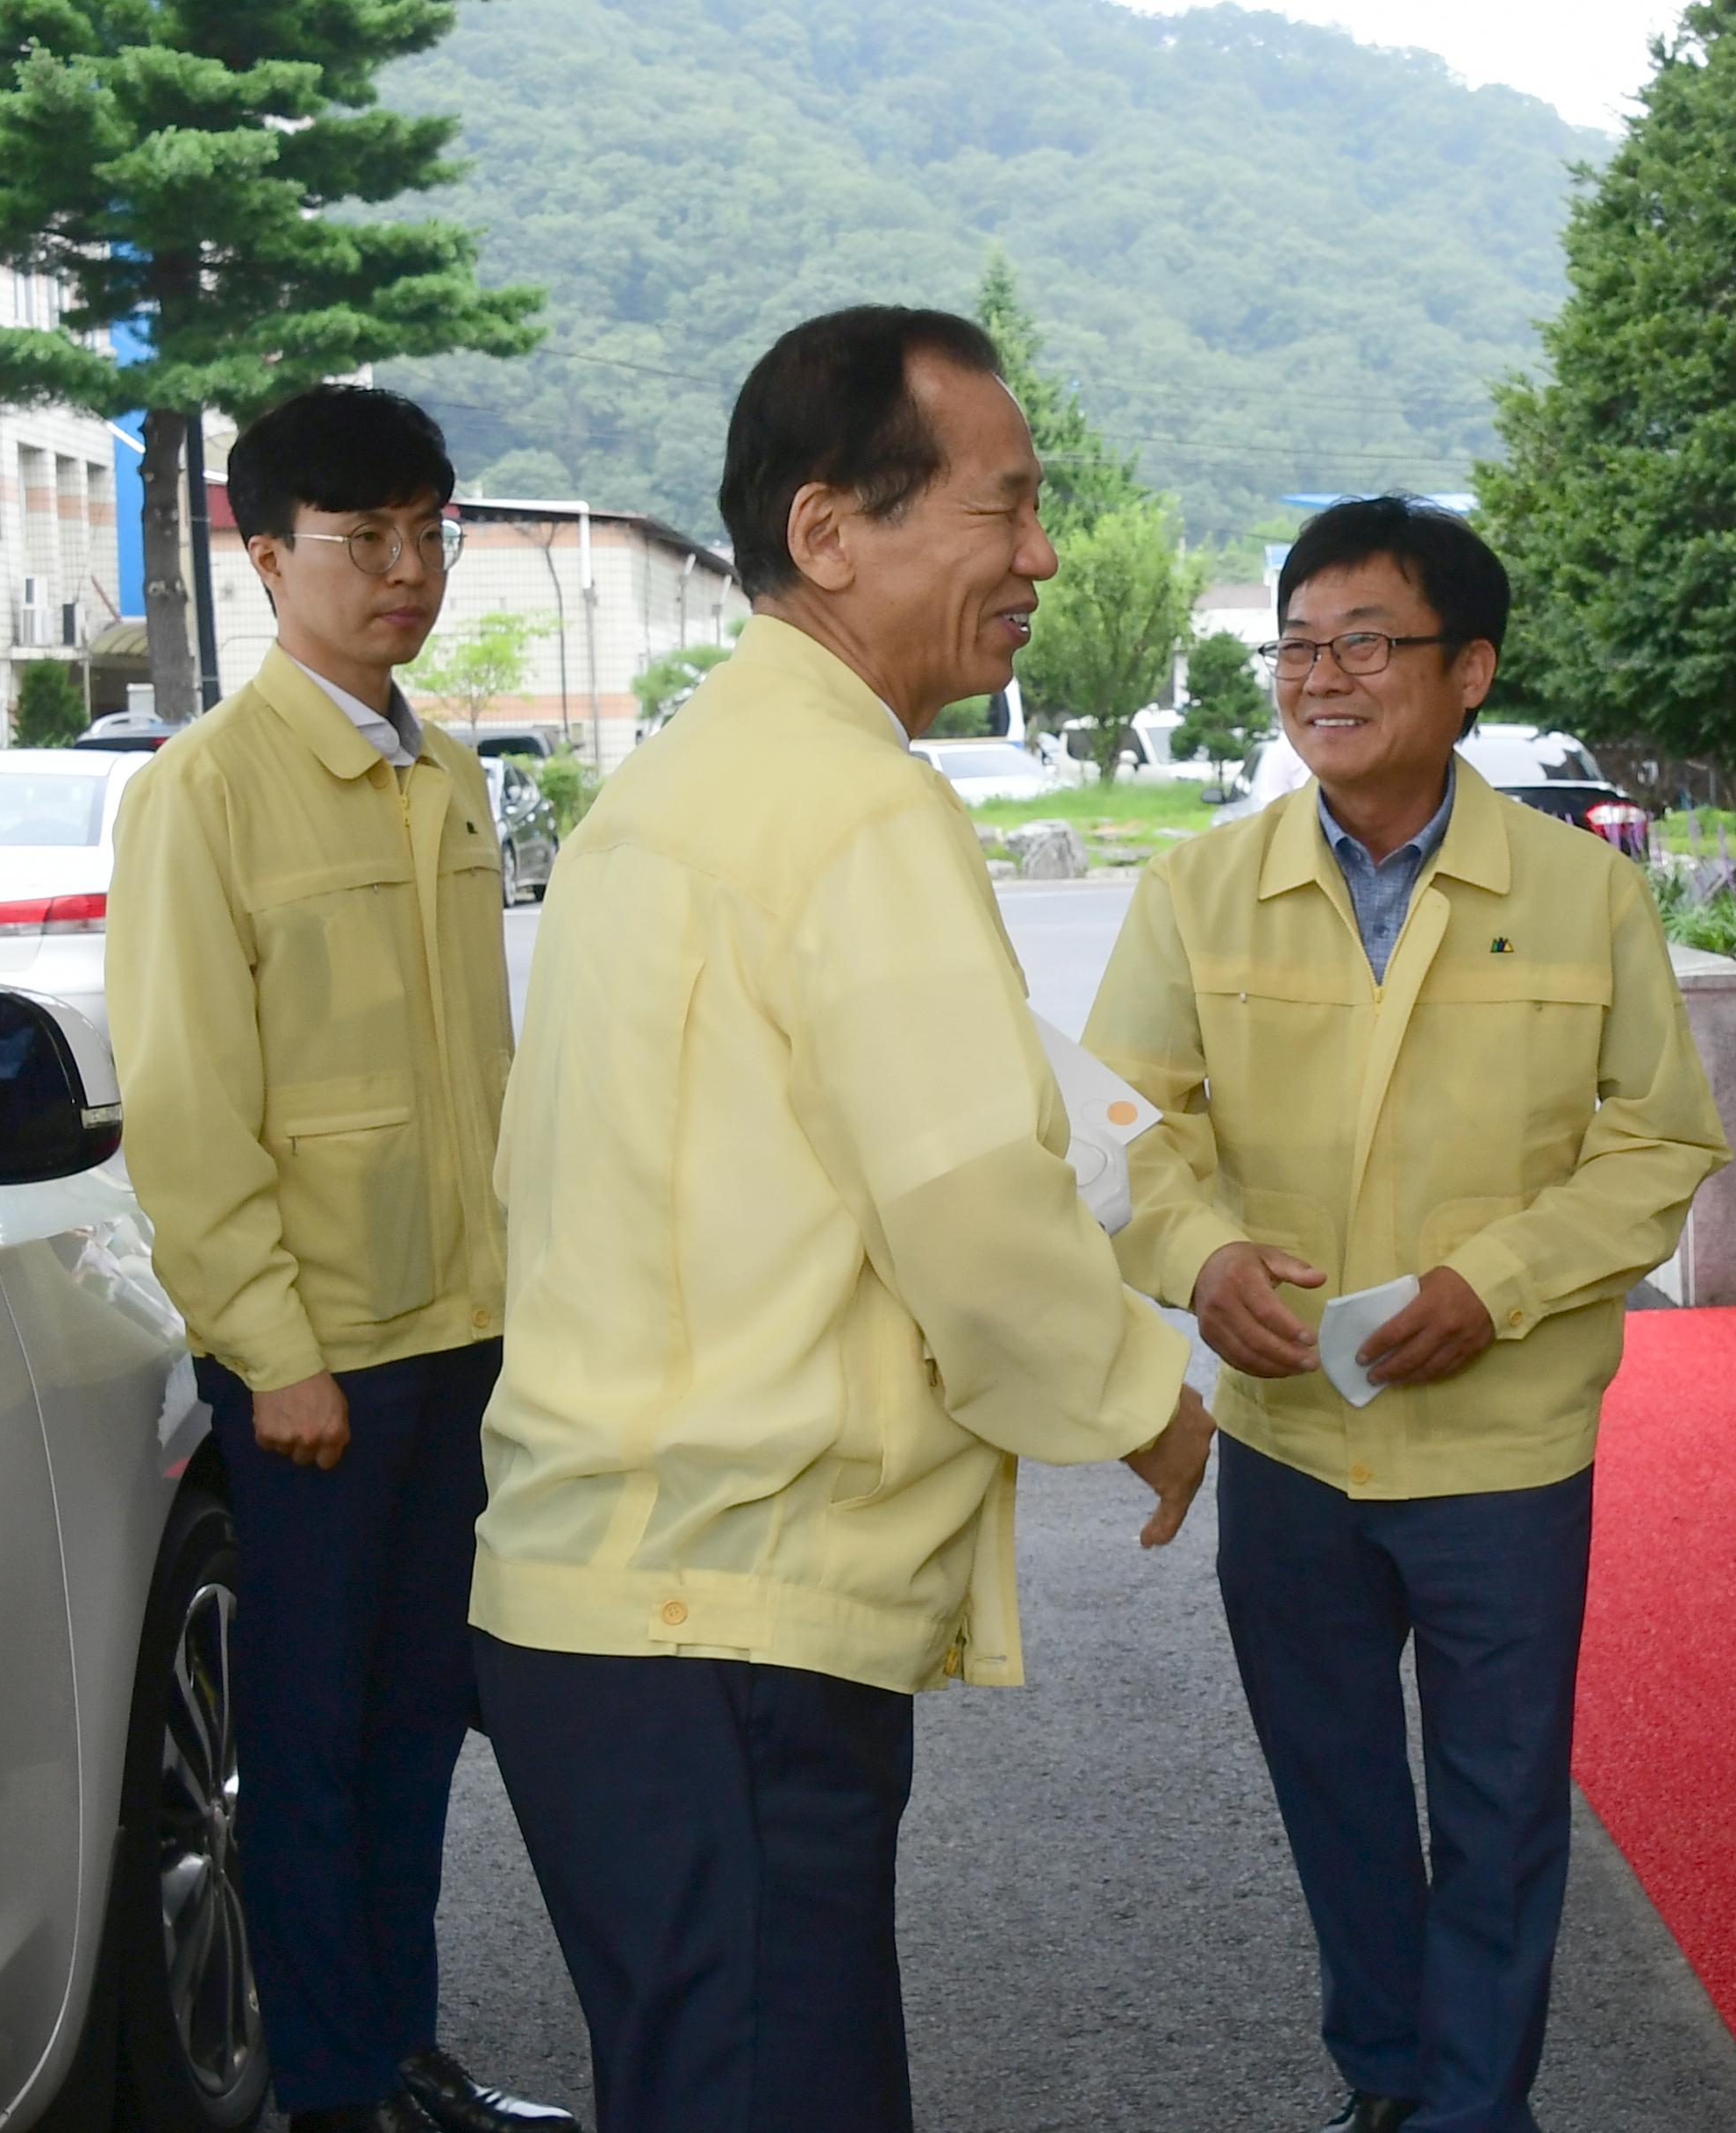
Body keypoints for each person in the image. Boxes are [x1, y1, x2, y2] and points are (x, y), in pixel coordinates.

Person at [468, 307, 1216, 2133]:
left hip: (618, 1602)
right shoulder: (852, 805)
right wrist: (1147, 1395)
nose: (1042, 555)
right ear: (829, 533)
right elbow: (969, 1202)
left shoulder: (674, 790)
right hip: (714, 1611)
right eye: (1006, 506)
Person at [1082, 496, 1731, 2133]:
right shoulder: (1197, 888)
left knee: (1501, 1803)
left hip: (1500, 1441)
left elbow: (1660, 1143)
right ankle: (1384, 2074)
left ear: (1469, 673)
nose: (1321, 674)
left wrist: (1491, 1284)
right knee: (1336, 1785)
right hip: (1291, 1429)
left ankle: (1468, 2104)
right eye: (1297, 642)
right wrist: (1201, 1257)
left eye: (1366, 639)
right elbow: (1125, 1127)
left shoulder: (1585, 898)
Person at [105, 386, 571, 2133]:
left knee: (418, 1722)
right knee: (303, 1749)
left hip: (466, 1334)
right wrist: (268, 1345)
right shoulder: (204, 797)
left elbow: (484, 1077)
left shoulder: (441, 771)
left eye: (425, 532)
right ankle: (330, 2088)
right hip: (319, 1363)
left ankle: (402, 2053)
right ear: (265, 550)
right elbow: (188, 1107)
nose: (402, 571)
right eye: (360, 538)